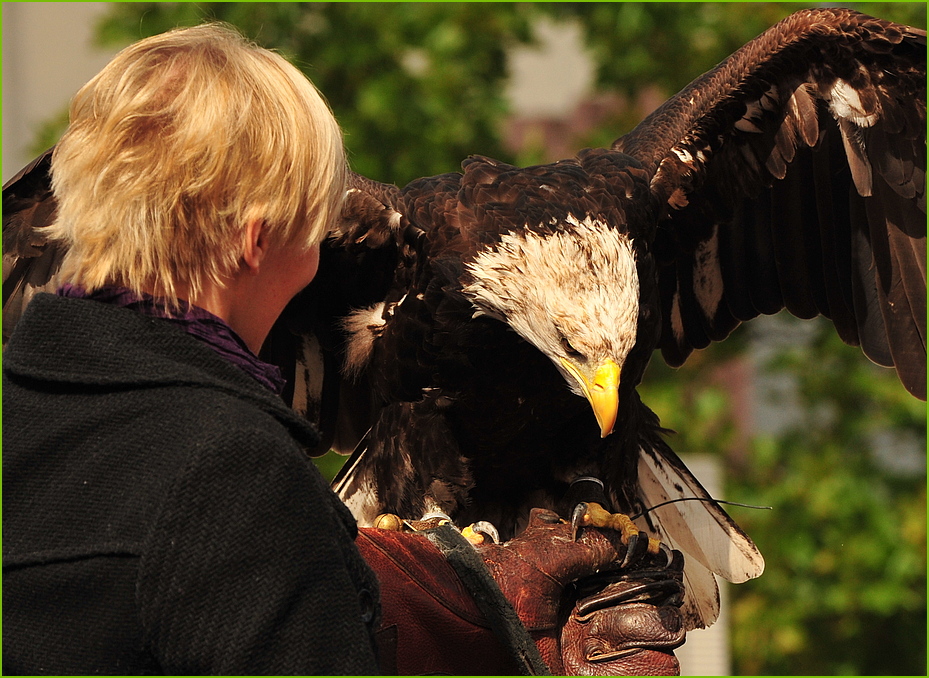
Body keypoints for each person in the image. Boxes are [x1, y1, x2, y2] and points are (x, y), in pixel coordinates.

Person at [2, 23, 684, 675]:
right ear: (257, 239)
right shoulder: (232, 471)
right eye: (317, 220)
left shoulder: (20, 420)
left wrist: (363, 594)